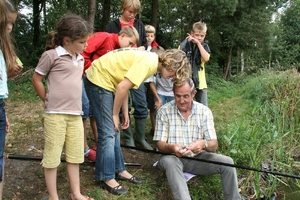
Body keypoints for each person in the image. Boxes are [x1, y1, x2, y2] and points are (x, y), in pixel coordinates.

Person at [83, 47, 191, 195]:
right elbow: (121, 87)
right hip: (98, 80)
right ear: (171, 64)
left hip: (108, 82)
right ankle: (106, 177)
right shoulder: (148, 64)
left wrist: (124, 112)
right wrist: (115, 114)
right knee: (108, 132)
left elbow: (124, 83)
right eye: (174, 74)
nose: (171, 78)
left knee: (114, 131)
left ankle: (119, 169)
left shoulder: (150, 62)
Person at [31, 13, 94, 200]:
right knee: (52, 157)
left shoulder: (80, 58)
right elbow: (36, 79)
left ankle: (76, 194)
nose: (86, 45)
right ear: (67, 40)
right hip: (55, 115)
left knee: (75, 156)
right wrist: (46, 99)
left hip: (75, 115)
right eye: (82, 42)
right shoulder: (51, 55)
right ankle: (53, 197)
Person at [153, 78, 241, 200]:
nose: (181, 100)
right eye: (178, 96)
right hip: (172, 157)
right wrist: (172, 147)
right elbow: (160, 145)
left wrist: (203, 144)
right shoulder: (164, 111)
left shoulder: (204, 112)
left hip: (198, 158)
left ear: (194, 94)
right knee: (170, 161)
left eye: (186, 96)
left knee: (228, 163)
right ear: (173, 93)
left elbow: (214, 145)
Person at [81, 26, 139, 161]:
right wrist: (91, 70)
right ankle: (84, 149)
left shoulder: (120, 50)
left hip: (102, 84)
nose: (130, 47)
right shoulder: (105, 37)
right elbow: (84, 52)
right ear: (123, 36)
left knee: (96, 113)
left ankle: (100, 145)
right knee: (84, 112)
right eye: (130, 43)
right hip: (87, 78)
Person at [105, 0, 153, 150]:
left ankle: (141, 138)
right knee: (120, 105)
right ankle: (128, 138)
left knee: (141, 103)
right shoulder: (112, 26)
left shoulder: (139, 24)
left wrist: (141, 48)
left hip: (136, 70)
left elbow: (144, 44)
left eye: (135, 13)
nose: (132, 15)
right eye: (129, 11)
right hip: (118, 71)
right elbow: (109, 47)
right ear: (123, 8)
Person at [0, 0, 23, 198]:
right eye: (6, 22)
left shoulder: (3, 48)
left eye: (12, 23)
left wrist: (10, 73)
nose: (10, 27)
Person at [180, 21, 211, 106]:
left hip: (200, 82)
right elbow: (178, 58)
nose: (199, 38)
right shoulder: (184, 44)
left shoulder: (204, 46)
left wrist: (198, 44)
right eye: (197, 35)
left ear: (205, 35)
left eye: (202, 36)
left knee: (203, 106)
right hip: (186, 80)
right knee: (187, 105)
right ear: (192, 33)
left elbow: (206, 58)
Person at [144, 25, 159, 137]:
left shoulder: (156, 49)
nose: (149, 38)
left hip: (152, 81)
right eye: (147, 35)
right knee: (142, 106)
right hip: (142, 81)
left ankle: (154, 129)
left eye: (151, 35)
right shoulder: (141, 48)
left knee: (152, 106)